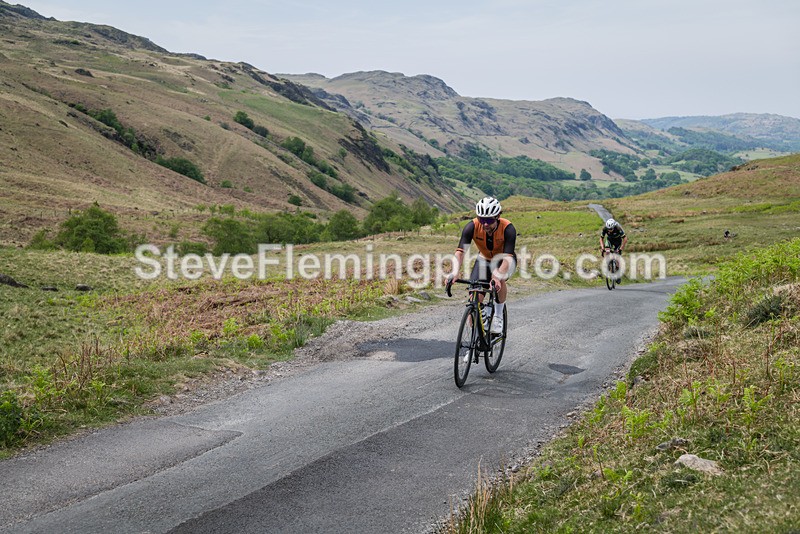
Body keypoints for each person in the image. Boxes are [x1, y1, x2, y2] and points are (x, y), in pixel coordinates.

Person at [446, 197, 517, 334]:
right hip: (484, 259)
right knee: (474, 297)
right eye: (481, 219)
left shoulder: (508, 228)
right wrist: (454, 272)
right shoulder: (471, 226)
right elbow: (460, 252)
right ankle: (475, 345)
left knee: (499, 278)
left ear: (497, 216)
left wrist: (496, 276)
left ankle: (497, 315)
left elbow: (508, 258)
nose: (484, 224)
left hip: (505, 259)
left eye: (489, 220)